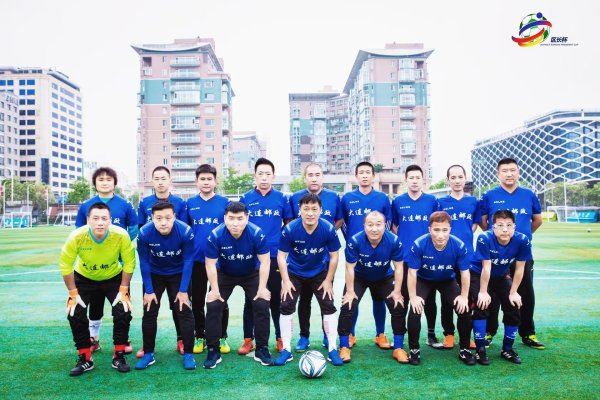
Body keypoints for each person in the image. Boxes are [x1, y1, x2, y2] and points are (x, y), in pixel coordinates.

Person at [60, 202, 135, 376]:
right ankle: (85, 357)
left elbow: (129, 262)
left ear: (110, 220)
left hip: (113, 277)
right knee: (74, 313)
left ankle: (119, 355)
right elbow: (65, 265)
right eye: (95, 218)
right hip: (84, 278)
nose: (100, 222)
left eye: (104, 218)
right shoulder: (77, 236)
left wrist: (124, 289)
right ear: (88, 220)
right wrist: (73, 293)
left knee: (123, 311)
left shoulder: (121, 235)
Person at [479, 158, 544, 349]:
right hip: (496, 255)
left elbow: (537, 220)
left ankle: (528, 332)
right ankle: (489, 331)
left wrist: (521, 240)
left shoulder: (528, 194)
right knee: (493, 293)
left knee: (525, 292)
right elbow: (483, 222)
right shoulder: (489, 195)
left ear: (518, 172)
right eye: (505, 171)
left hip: (521, 253)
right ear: (498, 174)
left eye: (513, 170)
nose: (509, 174)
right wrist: (497, 239)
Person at [275, 193, 344, 367]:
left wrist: (328, 280)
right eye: (306, 209)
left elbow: (334, 256)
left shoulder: (328, 228)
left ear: (320, 210)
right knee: (286, 305)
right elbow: (281, 256)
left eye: (314, 209)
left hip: (319, 272)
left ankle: (332, 348)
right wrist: (286, 281)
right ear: (300, 210)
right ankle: (286, 350)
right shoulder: (290, 229)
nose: (310, 213)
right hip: (295, 272)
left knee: (328, 305)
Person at [203, 202, 274, 369]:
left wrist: (262, 288)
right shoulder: (215, 235)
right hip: (224, 273)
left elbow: (265, 262)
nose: (235, 223)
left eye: (240, 219)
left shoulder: (256, 233)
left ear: (247, 218)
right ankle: (213, 350)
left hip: (250, 273)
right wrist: (214, 290)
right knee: (213, 305)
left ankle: (262, 349)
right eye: (231, 218)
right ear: (224, 218)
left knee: (262, 303)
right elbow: (210, 264)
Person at [74, 167, 138, 354]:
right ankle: (93, 338)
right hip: (94, 264)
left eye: (108, 179)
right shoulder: (86, 205)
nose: (104, 182)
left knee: (122, 302)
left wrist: (118, 247)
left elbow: (134, 228)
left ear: (114, 183)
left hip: (118, 264)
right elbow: (79, 231)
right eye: (100, 179)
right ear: (95, 183)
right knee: (95, 302)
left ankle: (123, 339)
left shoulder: (125, 205)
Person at [239, 158, 293, 354]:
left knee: (277, 299)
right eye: (260, 174)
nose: (264, 178)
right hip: (252, 257)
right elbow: (240, 224)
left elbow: (288, 224)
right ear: (255, 176)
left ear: (273, 177)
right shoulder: (245, 199)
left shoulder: (281, 198)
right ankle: (248, 339)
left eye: (267, 174)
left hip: (274, 256)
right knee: (251, 299)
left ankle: (280, 338)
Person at [338, 211, 407, 363]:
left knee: (397, 304)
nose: (374, 229)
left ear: (385, 225)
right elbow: (349, 268)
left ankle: (398, 347)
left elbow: (399, 267)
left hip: (384, 277)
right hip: (359, 277)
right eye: (370, 225)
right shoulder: (355, 241)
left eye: (378, 224)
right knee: (348, 304)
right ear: (364, 226)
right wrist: (350, 291)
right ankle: (344, 346)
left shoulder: (394, 240)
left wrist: (397, 291)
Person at [406, 211, 474, 366]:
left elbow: (465, 273)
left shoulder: (459, 245)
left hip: (447, 280)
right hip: (424, 280)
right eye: (436, 230)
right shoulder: (419, 244)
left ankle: (464, 349)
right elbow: (412, 273)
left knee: (463, 309)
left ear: (450, 229)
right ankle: (414, 350)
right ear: (429, 229)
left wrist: (464, 297)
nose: (440, 235)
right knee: (415, 309)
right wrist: (413, 297)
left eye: (445, 230)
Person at [135, 202, 196, 370]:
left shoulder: (185, 231)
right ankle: (148, 353)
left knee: (184, 311)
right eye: (159, 218)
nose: (163, 222)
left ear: (174, 217)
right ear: (152, 218)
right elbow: (144, 262)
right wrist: (148, 290)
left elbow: (188, 261)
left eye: (168, 218)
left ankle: (189, 353)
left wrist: (183, 290)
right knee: (149, 312)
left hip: (178, 273)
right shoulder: (144, 233)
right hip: (155, 274)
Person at [289, 163, 343, 352]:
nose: (314, 178)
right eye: (310, 175)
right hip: (302, 260)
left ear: (322, 177)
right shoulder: (295, 197)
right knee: (304, 300)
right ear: (304, 178)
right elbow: (290, 222)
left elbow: (340, 219)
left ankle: (328, 336)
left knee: (325, 299)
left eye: (317, 174)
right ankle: (304, 336)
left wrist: (325, 235)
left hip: (325, 260)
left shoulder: (333, 197)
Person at [136, 166, 188, 358]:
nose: (160, 182)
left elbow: (183, 228)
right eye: (156, 178)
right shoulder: (145, 202)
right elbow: (142, 229)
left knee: (179, 306)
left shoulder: (179, 203)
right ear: (152, 181)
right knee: (150, 307)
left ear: (170, 180)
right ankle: (147, 346)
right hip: (154, 263)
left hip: (176, 264)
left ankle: (182, 339)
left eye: (163, 178)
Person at [340, 161, 392, 349]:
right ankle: (350, 334)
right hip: (356, 256)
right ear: (356, 176)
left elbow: (387, 224)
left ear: (373, 176)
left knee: (379, 298)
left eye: (367, 172)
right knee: (352, 298)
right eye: (361, 172)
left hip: (379, 258)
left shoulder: (382, 198)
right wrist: (353, 243)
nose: (364, 175)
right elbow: (343, 223)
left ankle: (380, 334)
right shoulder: (347, 198)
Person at [470, 210, 531, 365]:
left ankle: (507, 349)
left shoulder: (522, 240)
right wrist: (483, 292)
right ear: (493, 227)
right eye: (500, 225)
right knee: (481, 305)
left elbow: (519, 269)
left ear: (514, 227)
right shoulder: (484, 238)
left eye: (509, 225)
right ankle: (480, 350)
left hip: (501, 275)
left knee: (513, 304)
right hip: (479, 274)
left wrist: (513, 292)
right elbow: (486, 268)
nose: (505, 229)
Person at [391, 164, 442, 348]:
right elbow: (394, 226)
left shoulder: (432, 201)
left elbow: (437, 226)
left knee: (429, 299)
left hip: (428, 258)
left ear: (423, 180)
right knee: (403, 298)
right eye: (411, 178)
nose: (414, 181)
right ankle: (400, 337)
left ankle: (431, 335)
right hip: (405, 258)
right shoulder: (398, 201)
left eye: (418, 177)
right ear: (406, 180)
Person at [186, 164, 230, 354]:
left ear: (215, 181)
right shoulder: (190, 204)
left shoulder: (224, 203)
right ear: (197, 182)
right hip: (197, 261)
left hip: (220, 262)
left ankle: (221, 336)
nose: (206, 182)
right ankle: (200, 336)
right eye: (202, 179)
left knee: (220, 300)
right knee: (197, 301)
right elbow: (186, 231)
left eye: (209, 179)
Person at [436, 164, 481, 349]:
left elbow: (475, 225)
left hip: (467, 256)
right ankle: (448, 334)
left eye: (460, 177)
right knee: (447, 298)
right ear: (448, 180)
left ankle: (466, 335)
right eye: (453, 177)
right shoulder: (441, 203)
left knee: (467, 297)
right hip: (446, 257)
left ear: (465, 178)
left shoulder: (473, 202)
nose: (457, 181)